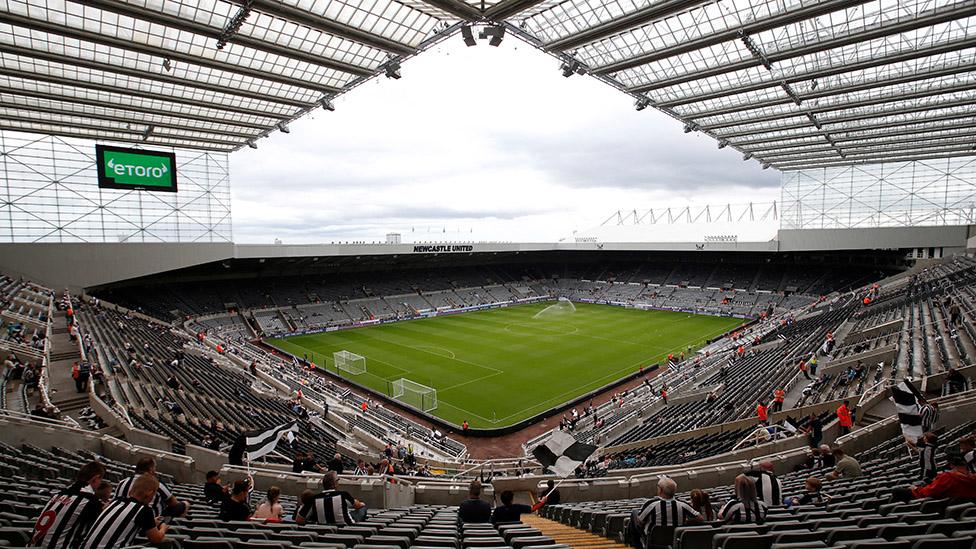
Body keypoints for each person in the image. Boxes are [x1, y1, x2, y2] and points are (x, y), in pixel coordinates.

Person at [80, 474, 169, 549]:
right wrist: (163, 528)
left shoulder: (115, 502)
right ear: (150, 493)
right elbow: (156, 539)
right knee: (168, 543)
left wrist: (152, 522)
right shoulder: (144, 510)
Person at [30, 461, 106, 548]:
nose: (100, 483)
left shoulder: (57, 495)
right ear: (96, 478)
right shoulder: (89, 500)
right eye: (100, 480)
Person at [630, 477, 702, 549]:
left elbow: (640, 522)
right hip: (675, 539)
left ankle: (636, 546)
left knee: (634, 512)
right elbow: (700, 518)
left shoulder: (651, 504)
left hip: (653, 542)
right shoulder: (683, 504)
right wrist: (686, 522)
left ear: (660, 490)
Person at [113, 457, 188, 517]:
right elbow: (173, 502)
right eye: (154, 467)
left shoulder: (122, 482)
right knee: (185, 504)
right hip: (150, 521)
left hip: (123, 515)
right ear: (151, 469)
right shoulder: (157, 484)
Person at [891, 452, 976, 501]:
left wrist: (915, 488)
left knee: (897, 491)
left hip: (937, 503)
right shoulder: (973, 477)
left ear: (951, 465)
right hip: (959, 507)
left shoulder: (948, 477)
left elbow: (929, 492)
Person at [297, 471, 367, 526]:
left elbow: (299, 520)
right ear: (334, 484)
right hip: (345, 528)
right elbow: (358, 505)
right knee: (362, 508)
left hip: (323, 531)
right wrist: (362, 504)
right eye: (337, 481)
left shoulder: (314, 499)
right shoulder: (343, 495)